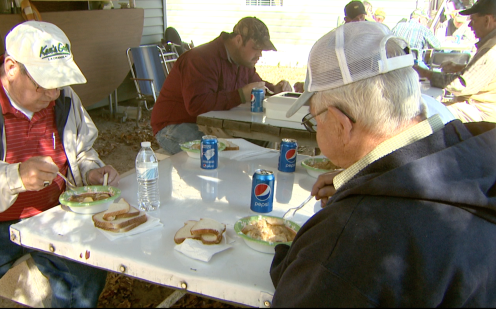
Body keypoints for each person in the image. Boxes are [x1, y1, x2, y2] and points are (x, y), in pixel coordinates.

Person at [273, 21, 496, 307]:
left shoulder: (346, 243)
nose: (315, 129)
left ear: (342, 124)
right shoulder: (474, 156)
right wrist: (361, 184)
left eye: (313, 119)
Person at [0, 21, 121, 307]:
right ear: (12, 68)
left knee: (85, 281)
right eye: (43, 84)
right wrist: (14, 177)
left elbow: (81, 150)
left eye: (59, 83)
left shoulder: (63, 97)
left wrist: (91, 170)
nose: (53, 94)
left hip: (55, 216)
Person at [151, 17, 292, 155]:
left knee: (263, 140)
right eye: (256, 48)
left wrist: (275, 90)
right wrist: (241, 94)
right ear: (238, 40)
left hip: (212, 124)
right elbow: (196, 104)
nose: (259, 55)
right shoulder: (201, 59)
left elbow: (256, 84)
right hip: (174, 125)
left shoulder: (243, 61)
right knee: (221, 154)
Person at [415, 0, 496, 123]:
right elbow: (485, 74)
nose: (469, 26)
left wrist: (426, 73)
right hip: (477, 106)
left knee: (424, 114)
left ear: (487, 21)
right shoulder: (489, 45)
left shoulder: (491, 50)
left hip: (483, 112)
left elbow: (460, 85)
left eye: (473, 20)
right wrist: (459, 68)